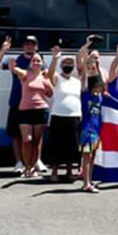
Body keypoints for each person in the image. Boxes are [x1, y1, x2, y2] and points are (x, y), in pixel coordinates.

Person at [0, 35, 39, 174]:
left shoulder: (38, 60)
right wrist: (3, 50)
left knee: (35, 136)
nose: (29, 46)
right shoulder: (16, 60)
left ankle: (36, 161)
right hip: (16, 101)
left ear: (36, 46)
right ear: (23, 46)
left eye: (32, 44)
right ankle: (19, 162)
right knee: (16, 135)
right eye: (27, 44)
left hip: (34, 103)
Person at [9, 52, 54, 178]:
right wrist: (12, 66)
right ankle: (26, 167)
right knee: (27, 140)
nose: (36, 62)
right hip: (25, 111)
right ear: (30, 63)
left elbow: (50, 93)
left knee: (36, 141)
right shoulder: (25, 74)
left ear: (42, 63)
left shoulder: (45, 77)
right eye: (34, 60)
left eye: (39, 61)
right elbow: (14, 69)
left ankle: (33, 168)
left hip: (41, 110)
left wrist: (47, 80)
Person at [44, 48, 82, 183]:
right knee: (56, 145)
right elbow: (49, 74)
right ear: (61, 66)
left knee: (72, 146)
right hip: (58, 116)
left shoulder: (77, 81)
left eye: (70, 64)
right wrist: (55, 58)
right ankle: (54, 172)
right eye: (65, 63)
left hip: (75, 117)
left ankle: (70, 171)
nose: (68, 66)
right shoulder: (57, 79)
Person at [78, 80, 106, 193]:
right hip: (87, 129)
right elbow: (83, 77)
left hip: (97, 130)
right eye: (97, 85)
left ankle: (89, 180)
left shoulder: (99, 98)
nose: (99, 88)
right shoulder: (85, 95)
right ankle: (86, 183)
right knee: (87, 156)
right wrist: (85, 64)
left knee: (93, 156)